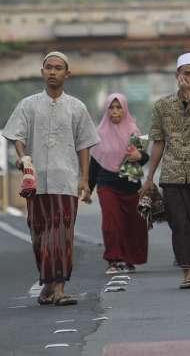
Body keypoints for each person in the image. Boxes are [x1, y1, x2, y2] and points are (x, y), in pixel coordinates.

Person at [3, 51, 99, 306]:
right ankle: (47, 284)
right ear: (43, 72)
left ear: (67, 74)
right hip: (35, 183)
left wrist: (84, 180)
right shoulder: (28, 104)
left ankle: (60, 288)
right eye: (49, 67)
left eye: (58, 68)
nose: (53, 72)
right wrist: (24, 159)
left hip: (66, 181)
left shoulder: (76, 107)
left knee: (62, 234)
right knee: (39, 235)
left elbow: (85, 145)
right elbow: (17, 137)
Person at [141, 53, 190, 289]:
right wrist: (149, 177)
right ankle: (188, 271)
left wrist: (189, 99)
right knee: (180, 224)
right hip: (172, 173)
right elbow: (158, 142)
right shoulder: (162, 106)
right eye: (187, 74)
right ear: (177, 75)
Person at [89, 93, 149, 275]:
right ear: (106, 110)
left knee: (134, 224)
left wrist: (140, 157)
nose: (115, 112)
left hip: (131, 184)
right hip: (107, 183)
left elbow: (143, 158)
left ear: (125, 109)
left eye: (118, 107)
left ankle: (129, 259)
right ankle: (114, 260)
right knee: (111, 223)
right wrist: (86, 188)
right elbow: (94, 163)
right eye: (111, 108)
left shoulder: (134, 131)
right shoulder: (98, 134)